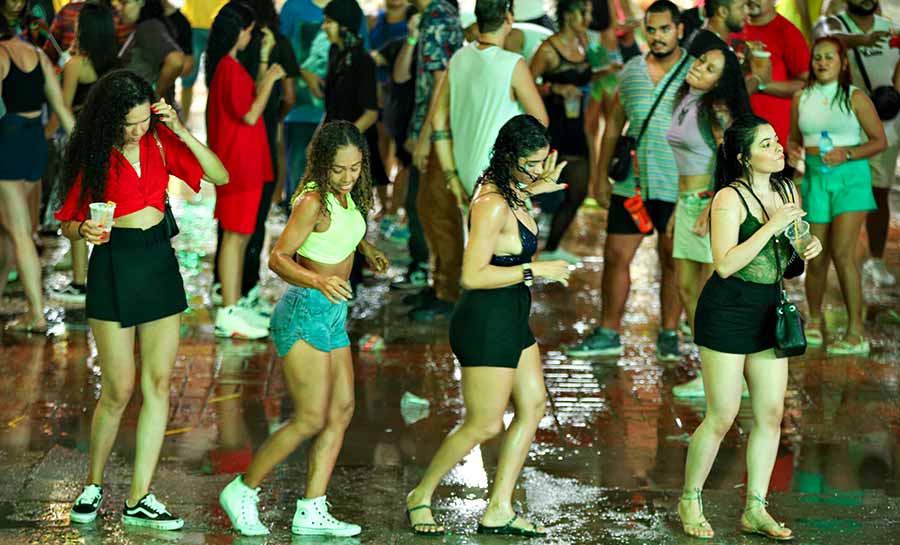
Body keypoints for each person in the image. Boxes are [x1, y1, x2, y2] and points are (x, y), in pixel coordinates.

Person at [57, 69, 228, 529]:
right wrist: (83, 230)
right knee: (118, 388)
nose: (136, 130)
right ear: (109, 118)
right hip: (113, 263)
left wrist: (180, 131)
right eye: (128, 123)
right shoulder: (94, 155)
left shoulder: (159, 140)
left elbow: (219, 174)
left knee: (157, 384)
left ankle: (139, 496)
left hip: (157, 263)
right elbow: (68, 221)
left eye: (141, 121)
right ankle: (93, 483)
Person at [218, 121, 388, 537]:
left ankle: (312, 507)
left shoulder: (350, 196)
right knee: (311, 417)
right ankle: (242, 489)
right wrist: (318, 280)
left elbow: (335, 236)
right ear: (322, 165)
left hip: (331, 312)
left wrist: (365, 247)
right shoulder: (312, 200)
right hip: (304, 311)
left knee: (342, 410)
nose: (348, 177)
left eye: (355, 168)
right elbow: (278, 257)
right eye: (339, 170)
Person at [406, 115, 570, 537]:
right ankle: (420, 495)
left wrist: (535, 187)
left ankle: (498, 507)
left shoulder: (512, 189)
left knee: (533, 406)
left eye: (542, 161)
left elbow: (511, 220)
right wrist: (535, 270)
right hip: (484, 319)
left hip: (510, 312)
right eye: (530, 163)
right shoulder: (492, 202)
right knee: (484, 424)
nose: (537, 169)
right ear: (508, 157)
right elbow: (472, 275)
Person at [677, 115, 822, 540]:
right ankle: (690, 498)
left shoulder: (786, 189)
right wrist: (772, 226)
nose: (778, 148)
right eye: (766, 144)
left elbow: (792, 249)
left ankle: (755, 507)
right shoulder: (728, 198)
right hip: (728, 307)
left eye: (776, 141)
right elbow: (724, 263)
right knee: (722, 415)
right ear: (744, 157)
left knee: (771, 413)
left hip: (768, 306)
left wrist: (806, 245)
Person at [566, 0, 690, 361]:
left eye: (665, 29)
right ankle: (608, 331)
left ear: (679, 30)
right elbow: (612, 128)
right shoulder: (631, 71)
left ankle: (669, 333)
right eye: (651, 29)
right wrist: (600, 177)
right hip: (632, 183)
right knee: (616, 255)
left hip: (677, 185)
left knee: (673, 260)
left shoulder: (694, 72)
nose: (657, 36)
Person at [410, 0, 549, 321]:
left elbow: (438, 122)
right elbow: (539, 123)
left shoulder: (458, 58)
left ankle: (462, 303)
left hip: (462, 171)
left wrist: (451, 174)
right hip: (498, 176)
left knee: (470, 242)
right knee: (503, 251)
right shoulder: (513, 64)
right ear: (509, 18)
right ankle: (495, 320)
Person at [788, 36, 886, 355]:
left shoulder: (855, 97)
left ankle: (856, 333)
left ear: (843, 62)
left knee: (843, 254)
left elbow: (878, 141)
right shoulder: (801, 97)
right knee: (814, 254)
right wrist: (791, 150)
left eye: (830, 57)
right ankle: (814, 321)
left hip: (850, 178)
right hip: (816, 178)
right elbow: (793, 139)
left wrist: (847, 154)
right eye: (817, 57)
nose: (822, 62)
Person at [667, 44, 751, 398]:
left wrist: (713, 205)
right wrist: (677, 207)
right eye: (701, 60)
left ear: (723, 80)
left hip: (708, 202)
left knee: (708, 293)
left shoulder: (716, 110)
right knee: (686, 288)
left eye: (711, 67)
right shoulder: (686, 99)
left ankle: (723, 375)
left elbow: (732, 160)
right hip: (687, 201)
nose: (700, 67)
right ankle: (718, 370)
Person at [206, 1, 285, 339]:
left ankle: (234, 305)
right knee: (235, 238)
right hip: (239, 165)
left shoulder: (227, 67)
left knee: (239, 237)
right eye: (249, 30)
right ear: (238, 32)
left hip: (244, 162)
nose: (251, 36)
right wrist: (270, 79)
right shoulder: (229, 68)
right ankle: (229, 310)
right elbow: (251, 114)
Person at [816, 0, 900, 288]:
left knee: (879, 192)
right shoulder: (834, 23)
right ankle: (818, 258)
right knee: (831, 195)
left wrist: (894, 94)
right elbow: (825, 38)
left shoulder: (890, 29)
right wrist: (862, 41)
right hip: (840, 127)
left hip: (885, 126)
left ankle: (875, 261)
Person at [0, 13, 74, 332]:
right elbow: (61, 110)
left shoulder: (1, 56)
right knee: (8, 230)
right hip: (34, 145)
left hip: (9, 143)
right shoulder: (39, 55)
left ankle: (36, 314)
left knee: (18, 232)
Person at [48, 2, 120, 305]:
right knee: (107, 210)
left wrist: (72, 137)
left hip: (81, 142)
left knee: (77, 210)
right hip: (110, 143)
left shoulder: (76, 64)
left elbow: (63, 104)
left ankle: (80, 283)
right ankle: (111, 278)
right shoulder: (117, 65)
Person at [401, 0, 462, 315]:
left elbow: (442, 83)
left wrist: (426, 138)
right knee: (426, 208)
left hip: (440, 132)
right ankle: (438, 283)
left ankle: (448, 292)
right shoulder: (429, 18)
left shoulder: (439, 17)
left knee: (439, 211)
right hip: (432, 127)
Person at [530, 0, 593, 265]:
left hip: (577, 126)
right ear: (568, 15)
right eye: (584, 12)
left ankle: (552, 246)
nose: (589, 18)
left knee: (578, 192)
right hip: (553, 128)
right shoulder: (548, 49)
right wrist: (554, 90)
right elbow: (527, 84)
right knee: (539, 188)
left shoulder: (584, 44)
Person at [731, 0, 809, 159]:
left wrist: (760, 85)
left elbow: (807, 83)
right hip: (738, 134)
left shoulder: (787, 32)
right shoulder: (735, 27)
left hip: (774, 140)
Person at [119, 0, 186, 101]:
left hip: (145, 104)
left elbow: (176, 62)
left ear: (141, 2)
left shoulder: (148, 27)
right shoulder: (150, 24)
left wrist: (156, 95)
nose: (119, 8)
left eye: (125, 3)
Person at [179, 0, 228, 116]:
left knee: (216, 80)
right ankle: (183, 122)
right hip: (193, 25)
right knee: (188, 76)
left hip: (218, 26)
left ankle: (214, 125)